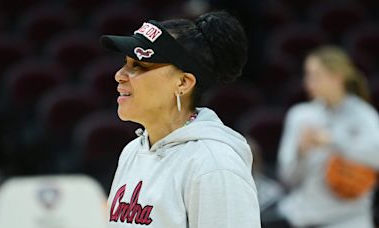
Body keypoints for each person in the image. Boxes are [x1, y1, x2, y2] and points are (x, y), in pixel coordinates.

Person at [99, 11, 261, 227]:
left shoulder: (214, 165)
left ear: (183, 83)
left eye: (140, 65)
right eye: (125, 63)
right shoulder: (132, 152)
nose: (120, 74)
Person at [274, 46, 379, 228]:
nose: (308, 82)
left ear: (337, 77)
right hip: (306, 219)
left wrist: (334, 141)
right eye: (307, 75)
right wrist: (301, 151)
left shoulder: (364, 116)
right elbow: (286, 177)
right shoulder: (300, 115)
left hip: (351, 221)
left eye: (315, 75)